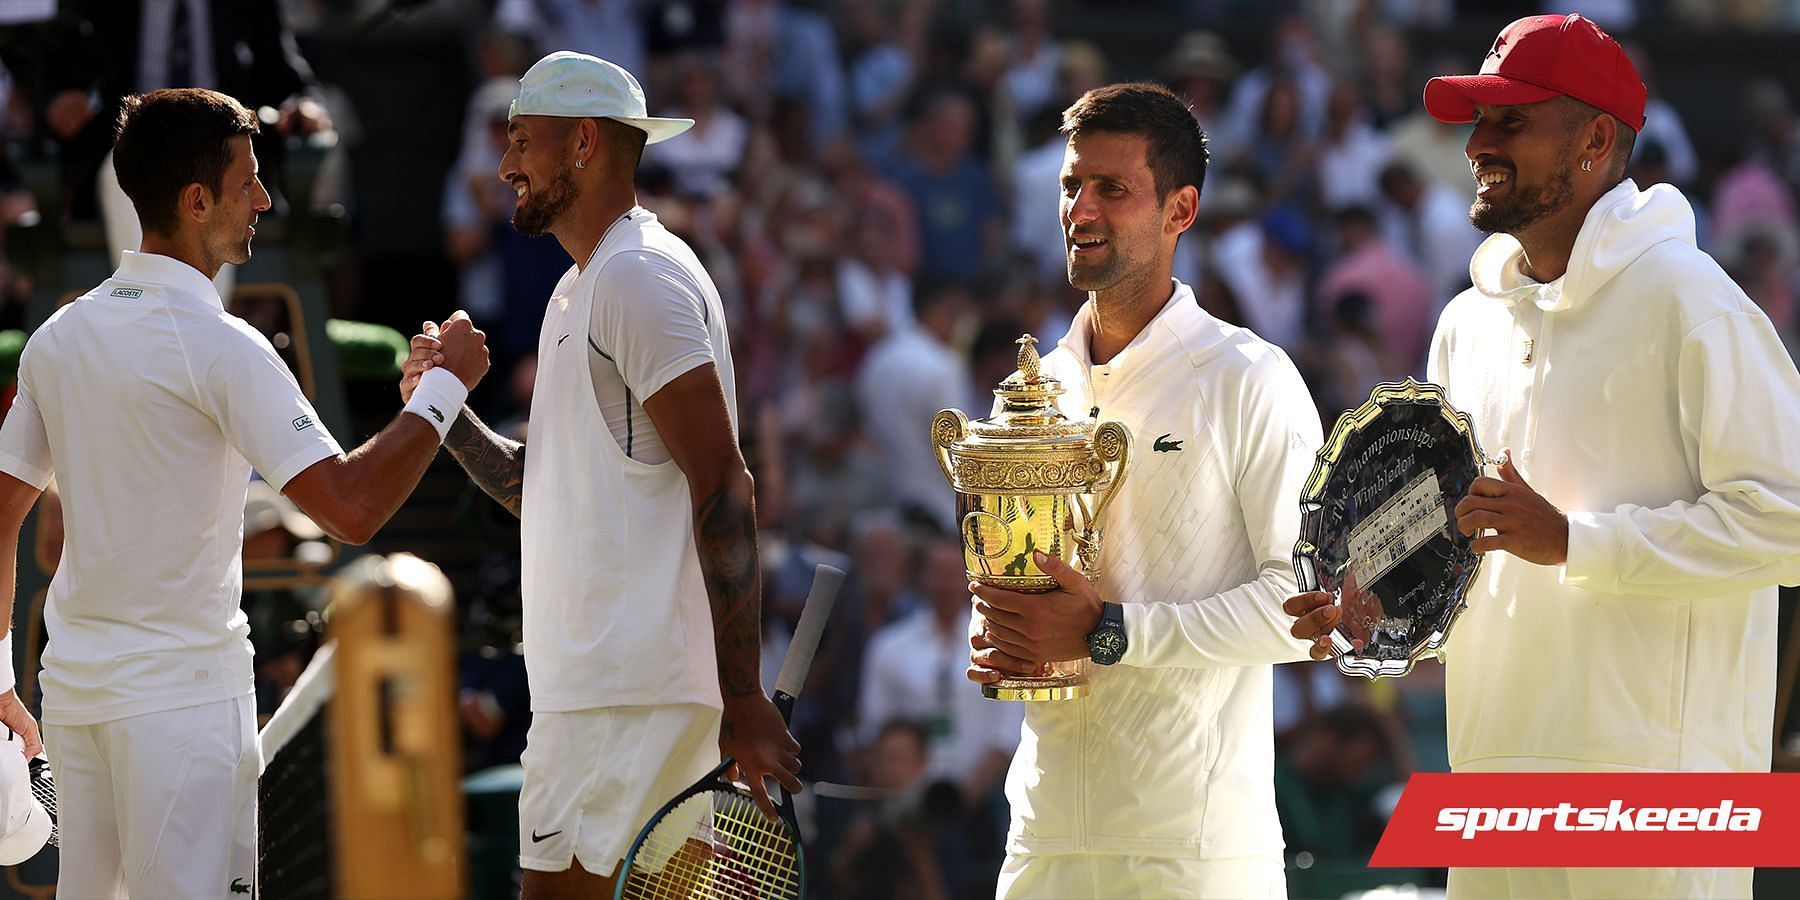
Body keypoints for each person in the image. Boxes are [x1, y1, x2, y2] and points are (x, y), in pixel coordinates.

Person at [1285, 15, 1800, 899]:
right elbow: (1459, 546)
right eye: (1478, 120)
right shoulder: (1466, 323)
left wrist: (1576, 541)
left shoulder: (1692, 301)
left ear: (1596, 139)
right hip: (1494, 785)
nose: (1478, 143)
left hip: (1655, 799)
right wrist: (1378, 599)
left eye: (1511, 121)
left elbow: (1787, 517)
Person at [0, 87, 488, 898]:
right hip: (183, 716)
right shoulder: (225, 348)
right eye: (247, 183)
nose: (265, 199)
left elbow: (3, 509)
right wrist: (444, 397)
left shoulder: (58, 337)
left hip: (78, 702)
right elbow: (351, 507)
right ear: (197, 203)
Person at [402, 52, 801, 898]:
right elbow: (536, 488)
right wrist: (445, 411)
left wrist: (742, 696)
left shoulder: (637, 279)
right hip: (585, 697)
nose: (504, 165)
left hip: (640, 696)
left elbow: (725, 485)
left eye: (520, 141)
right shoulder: (581, 288)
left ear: (583, 143)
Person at [965, 82, 1322, 899]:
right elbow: (1013, 589)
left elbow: (1306, 606)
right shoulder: (1032, 391)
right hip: (1042, 843)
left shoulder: (1248, 378)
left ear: (1180, 210)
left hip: (1193, 857)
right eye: (1070, 185)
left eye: (1111, 189)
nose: (1079, 208)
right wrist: (996, 633)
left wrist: (1112, 632)